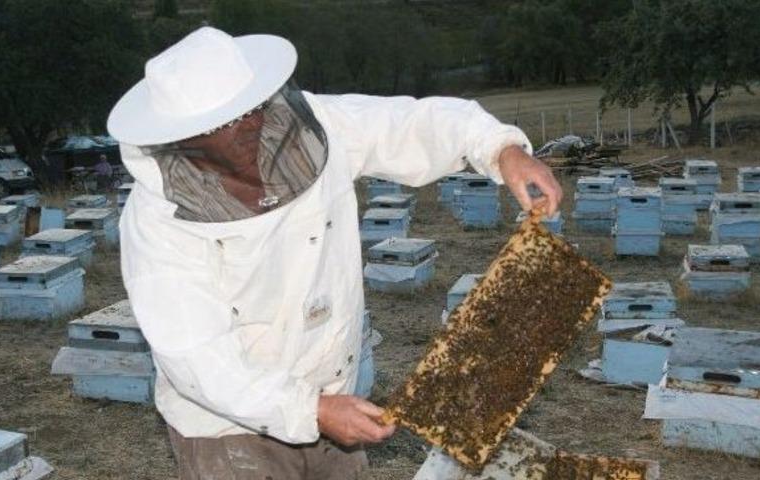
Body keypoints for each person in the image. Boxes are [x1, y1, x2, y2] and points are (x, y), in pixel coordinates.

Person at [106, 27, 562, 480]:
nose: (247, 127)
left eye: (251, 109)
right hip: (228, 428)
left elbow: (406, 124)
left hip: (330, 390)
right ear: (185, 137)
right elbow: (198, 359)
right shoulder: (156, 225)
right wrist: (310, 410)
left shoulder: (311, 127)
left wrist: (500, 149)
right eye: (224, 123)